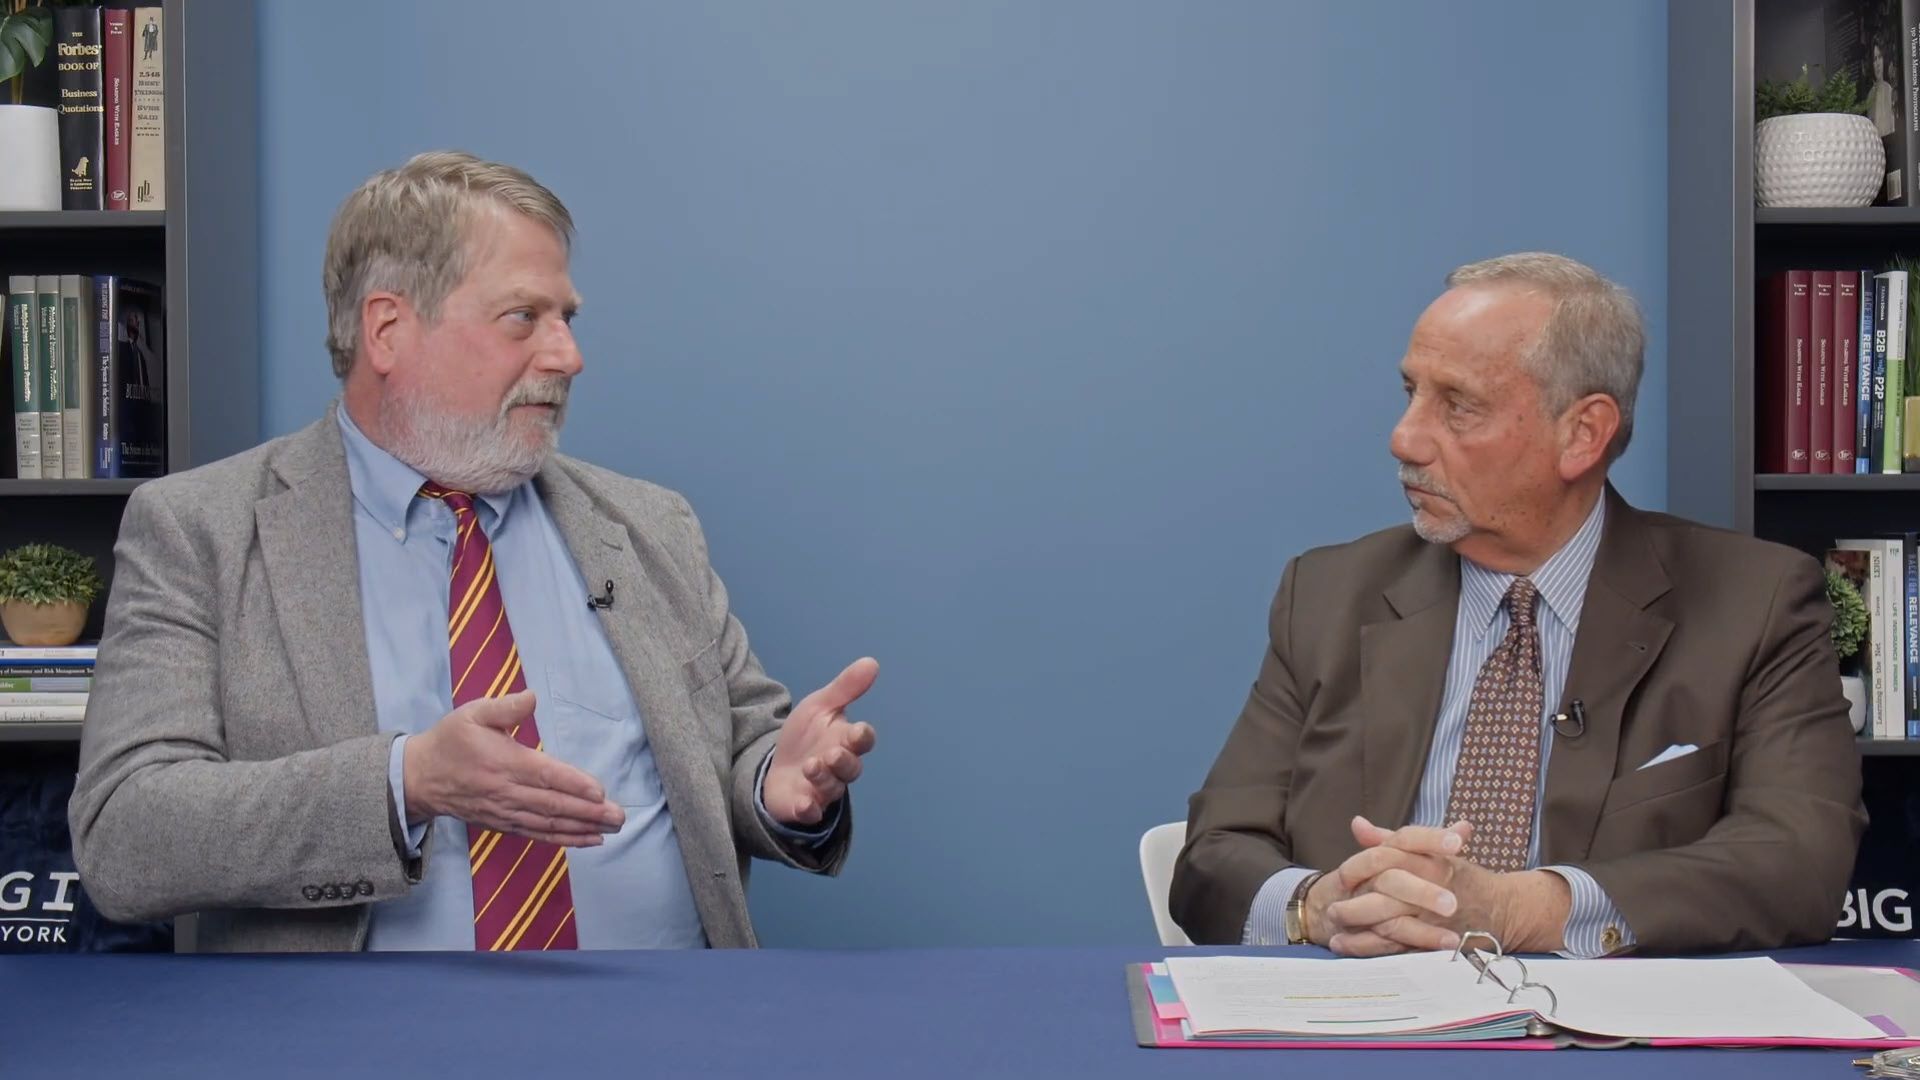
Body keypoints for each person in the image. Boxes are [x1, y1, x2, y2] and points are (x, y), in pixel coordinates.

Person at [68, 151, 878, 952]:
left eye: (568, 318)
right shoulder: (198, 532)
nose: (568, 356)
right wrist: (406, 783)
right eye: (524, 317)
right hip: (349, 1047)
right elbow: (126, 835)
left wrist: (779, 782)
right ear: (388, 329)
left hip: (667, 1027)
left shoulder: (648, 526)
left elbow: (744, 752)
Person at [1170, 252, 1864, 957]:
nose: (1404, 438)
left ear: (1583, 434)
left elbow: (1798, 863)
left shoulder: (1756, 601)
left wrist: (1522, 909)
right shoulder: (1327, 595)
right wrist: (1318, 908)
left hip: (1603, 1042)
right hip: (1363, 1023)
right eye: (1410, 392)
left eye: (1458, 405)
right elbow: (1213, 858)